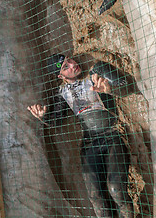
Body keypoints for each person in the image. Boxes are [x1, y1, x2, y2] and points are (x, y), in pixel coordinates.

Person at [27, 54, 134, 218]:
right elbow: (57, 120)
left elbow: (127, 86)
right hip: (89, 143)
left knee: (116, 189)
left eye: (69, 59)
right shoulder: (62, 92)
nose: (72, 65)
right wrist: (43, 116)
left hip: (111, 135)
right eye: (65, 67)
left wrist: (110, 89)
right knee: (96, 197)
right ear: (60, 76)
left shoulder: (96, 72)